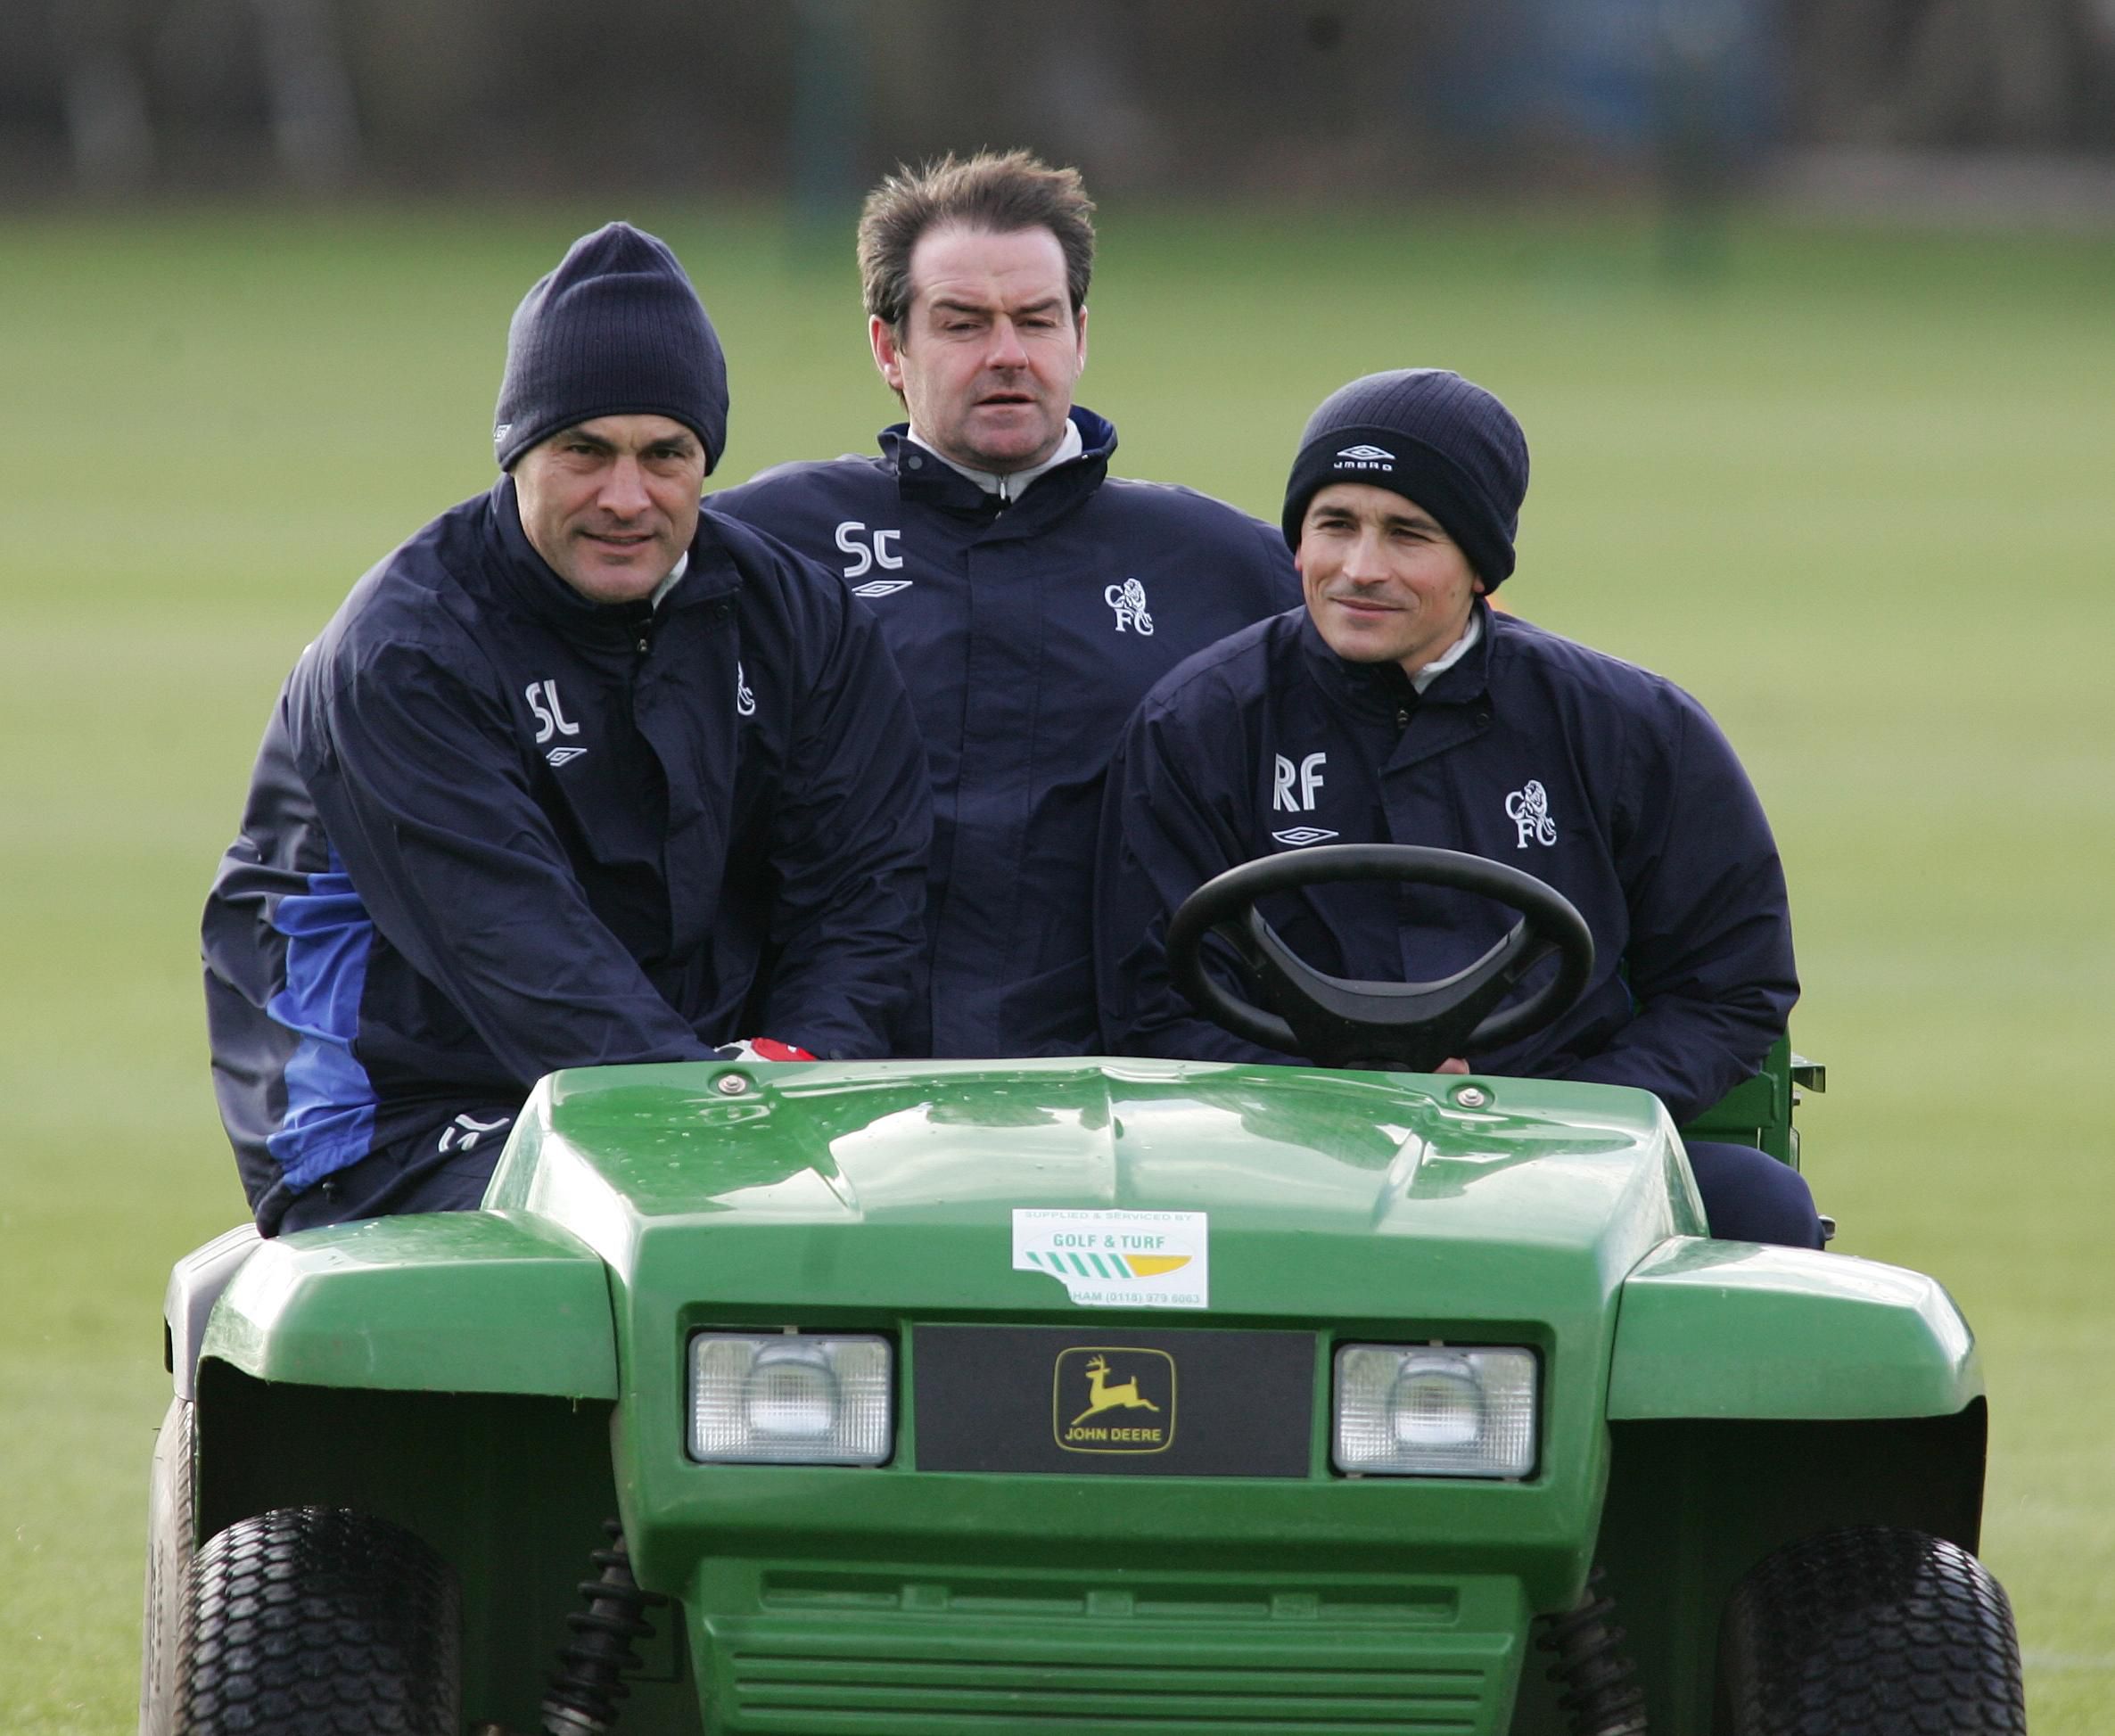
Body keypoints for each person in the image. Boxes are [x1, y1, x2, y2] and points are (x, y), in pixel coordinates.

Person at [202, 223, 931, 1237]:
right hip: (396, 1122)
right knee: (621, 1263)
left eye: (665, 455)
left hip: (685, 1093)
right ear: (517, 455)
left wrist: (798, 1064)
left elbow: (866, 888)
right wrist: (714, 1119)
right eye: (584, 451)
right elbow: (519, 955)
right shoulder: (404, 652)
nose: (625, 498)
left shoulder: (795, 617)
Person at [1096, 368, 1822, 1246]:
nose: (1361, 569)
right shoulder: (1197, 723)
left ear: (1480, 564)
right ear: (1296, 542)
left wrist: (1539, 1116)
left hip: (1558, 1151)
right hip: (1274, 1155)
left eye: (1408, 534)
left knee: (1762, 1206)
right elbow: (1152, 1003)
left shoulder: (1630, 727)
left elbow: (1730, 986)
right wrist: (1334, 1107)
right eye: (1335, 524)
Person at [710, 150, 1299, 1058]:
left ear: (1079, 336)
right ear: (889, 348)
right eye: (962, 323)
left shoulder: (1223, 564)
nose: (1008, 354)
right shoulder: (763, 546)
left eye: (1036, 319)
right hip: (831, 1080)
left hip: (1131, 1090)